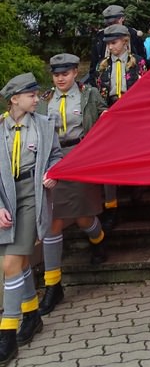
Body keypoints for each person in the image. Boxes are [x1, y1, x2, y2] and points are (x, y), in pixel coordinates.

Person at [37, 54, 108, 317]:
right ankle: (53, 285)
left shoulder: (88, 94)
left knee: (82, 217)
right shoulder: (44, 100)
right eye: (56, 74)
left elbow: (104, 116)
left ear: (76, 72)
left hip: (81, 157)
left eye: (65, 73)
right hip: (53, 162)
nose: (60, 78)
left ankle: (98, 239)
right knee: (53, 220)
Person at [0, 73, 62, 364]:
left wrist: (53, 172)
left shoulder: (45, 125)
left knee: (10, 263)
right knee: (21, 262)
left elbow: (55, 156)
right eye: (31, 95)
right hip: (5, 198)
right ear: (15, 99)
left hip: (31, 195)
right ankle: (32, 314)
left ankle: (7, 333)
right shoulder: (0, 128)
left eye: (37, 95)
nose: (37, 99)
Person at [95, 24, 146, 230]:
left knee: (134, 149)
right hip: (111, 110)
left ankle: (136, 187)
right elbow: (99, 89)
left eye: (114, 42)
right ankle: (111, 204)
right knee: (111, 153)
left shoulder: (137, 62)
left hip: (132, 109)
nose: (111, 47)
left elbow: (144, 87)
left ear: (124, 42)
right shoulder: (103, 65)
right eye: (108, 43)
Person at [88, 5, 145, 85]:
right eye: (109, 24)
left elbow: (142, 61)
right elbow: (94, 66)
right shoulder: (100, 37)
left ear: (122, 18)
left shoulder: (134, 35)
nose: (112, 27)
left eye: (115, 22)